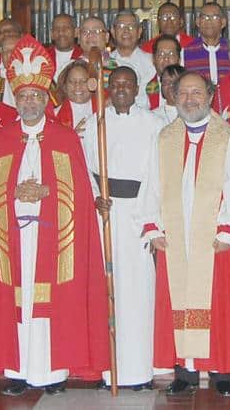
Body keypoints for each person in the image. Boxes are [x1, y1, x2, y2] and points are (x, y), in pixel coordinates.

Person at [0, 35, 109, 396]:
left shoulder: (65, 139)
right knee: (17, 303)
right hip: (14, 238)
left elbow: (79, 191)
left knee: (53, 303)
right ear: (15, 99)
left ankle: (52, 372)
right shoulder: (1, 140)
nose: (30, 101)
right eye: (23, 96)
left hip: (52, 238)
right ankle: (17, 371)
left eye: (36, 96)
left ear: (46, 99)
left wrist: (46, 193)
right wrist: (13, 194)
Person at [138, 71, 230, 397]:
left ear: (210, 96)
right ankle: (185, 371)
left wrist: (229, 229)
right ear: (175, 98)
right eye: (184, 93)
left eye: (197, 93)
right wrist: (152, 226)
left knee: (217, 302)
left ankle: (223, 370)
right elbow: (151, 185)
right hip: (175, 238)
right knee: (179, 302)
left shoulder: (227, 137)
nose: (190, 99)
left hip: (215, 237)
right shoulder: (164, 138)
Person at [81, 66, 164, 390]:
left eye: (127, 84)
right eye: (115, 85)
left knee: (139, 293)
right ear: (107, 88)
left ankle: (140, 371)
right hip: (107, 214)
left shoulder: (154, 124)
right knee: (108, 292)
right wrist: (96, 198)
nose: (120, 90)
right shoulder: (94, 124)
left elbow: (159, 173)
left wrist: (146, 214)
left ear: (137, 87)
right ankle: (109, 369)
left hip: (139, 216)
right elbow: (86, 167)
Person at [110, 12, 156, 108]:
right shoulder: (105, 62)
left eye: (131, 26)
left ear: (139, 32)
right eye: (121, 26)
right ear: (113, 32)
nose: (126, 30)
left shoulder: (152, 62)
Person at [184, 3, 230, 83]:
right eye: (205, 17)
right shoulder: (185, 52)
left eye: (215, 17)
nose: (209, 21)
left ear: (223, 22)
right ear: (198, 22)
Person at [55, 60, 95, 130]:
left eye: (83, 81)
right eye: (72, 81)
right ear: (64, 86)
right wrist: (72, 137)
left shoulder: (105, 110)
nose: (77, 86)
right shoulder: (54, 115)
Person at [146, 35, 182, 110]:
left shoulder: (188, 85)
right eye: (161, 54)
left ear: (179, 60)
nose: (166, 58)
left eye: (171, 54)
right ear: (153, 59)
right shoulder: (144, 86)